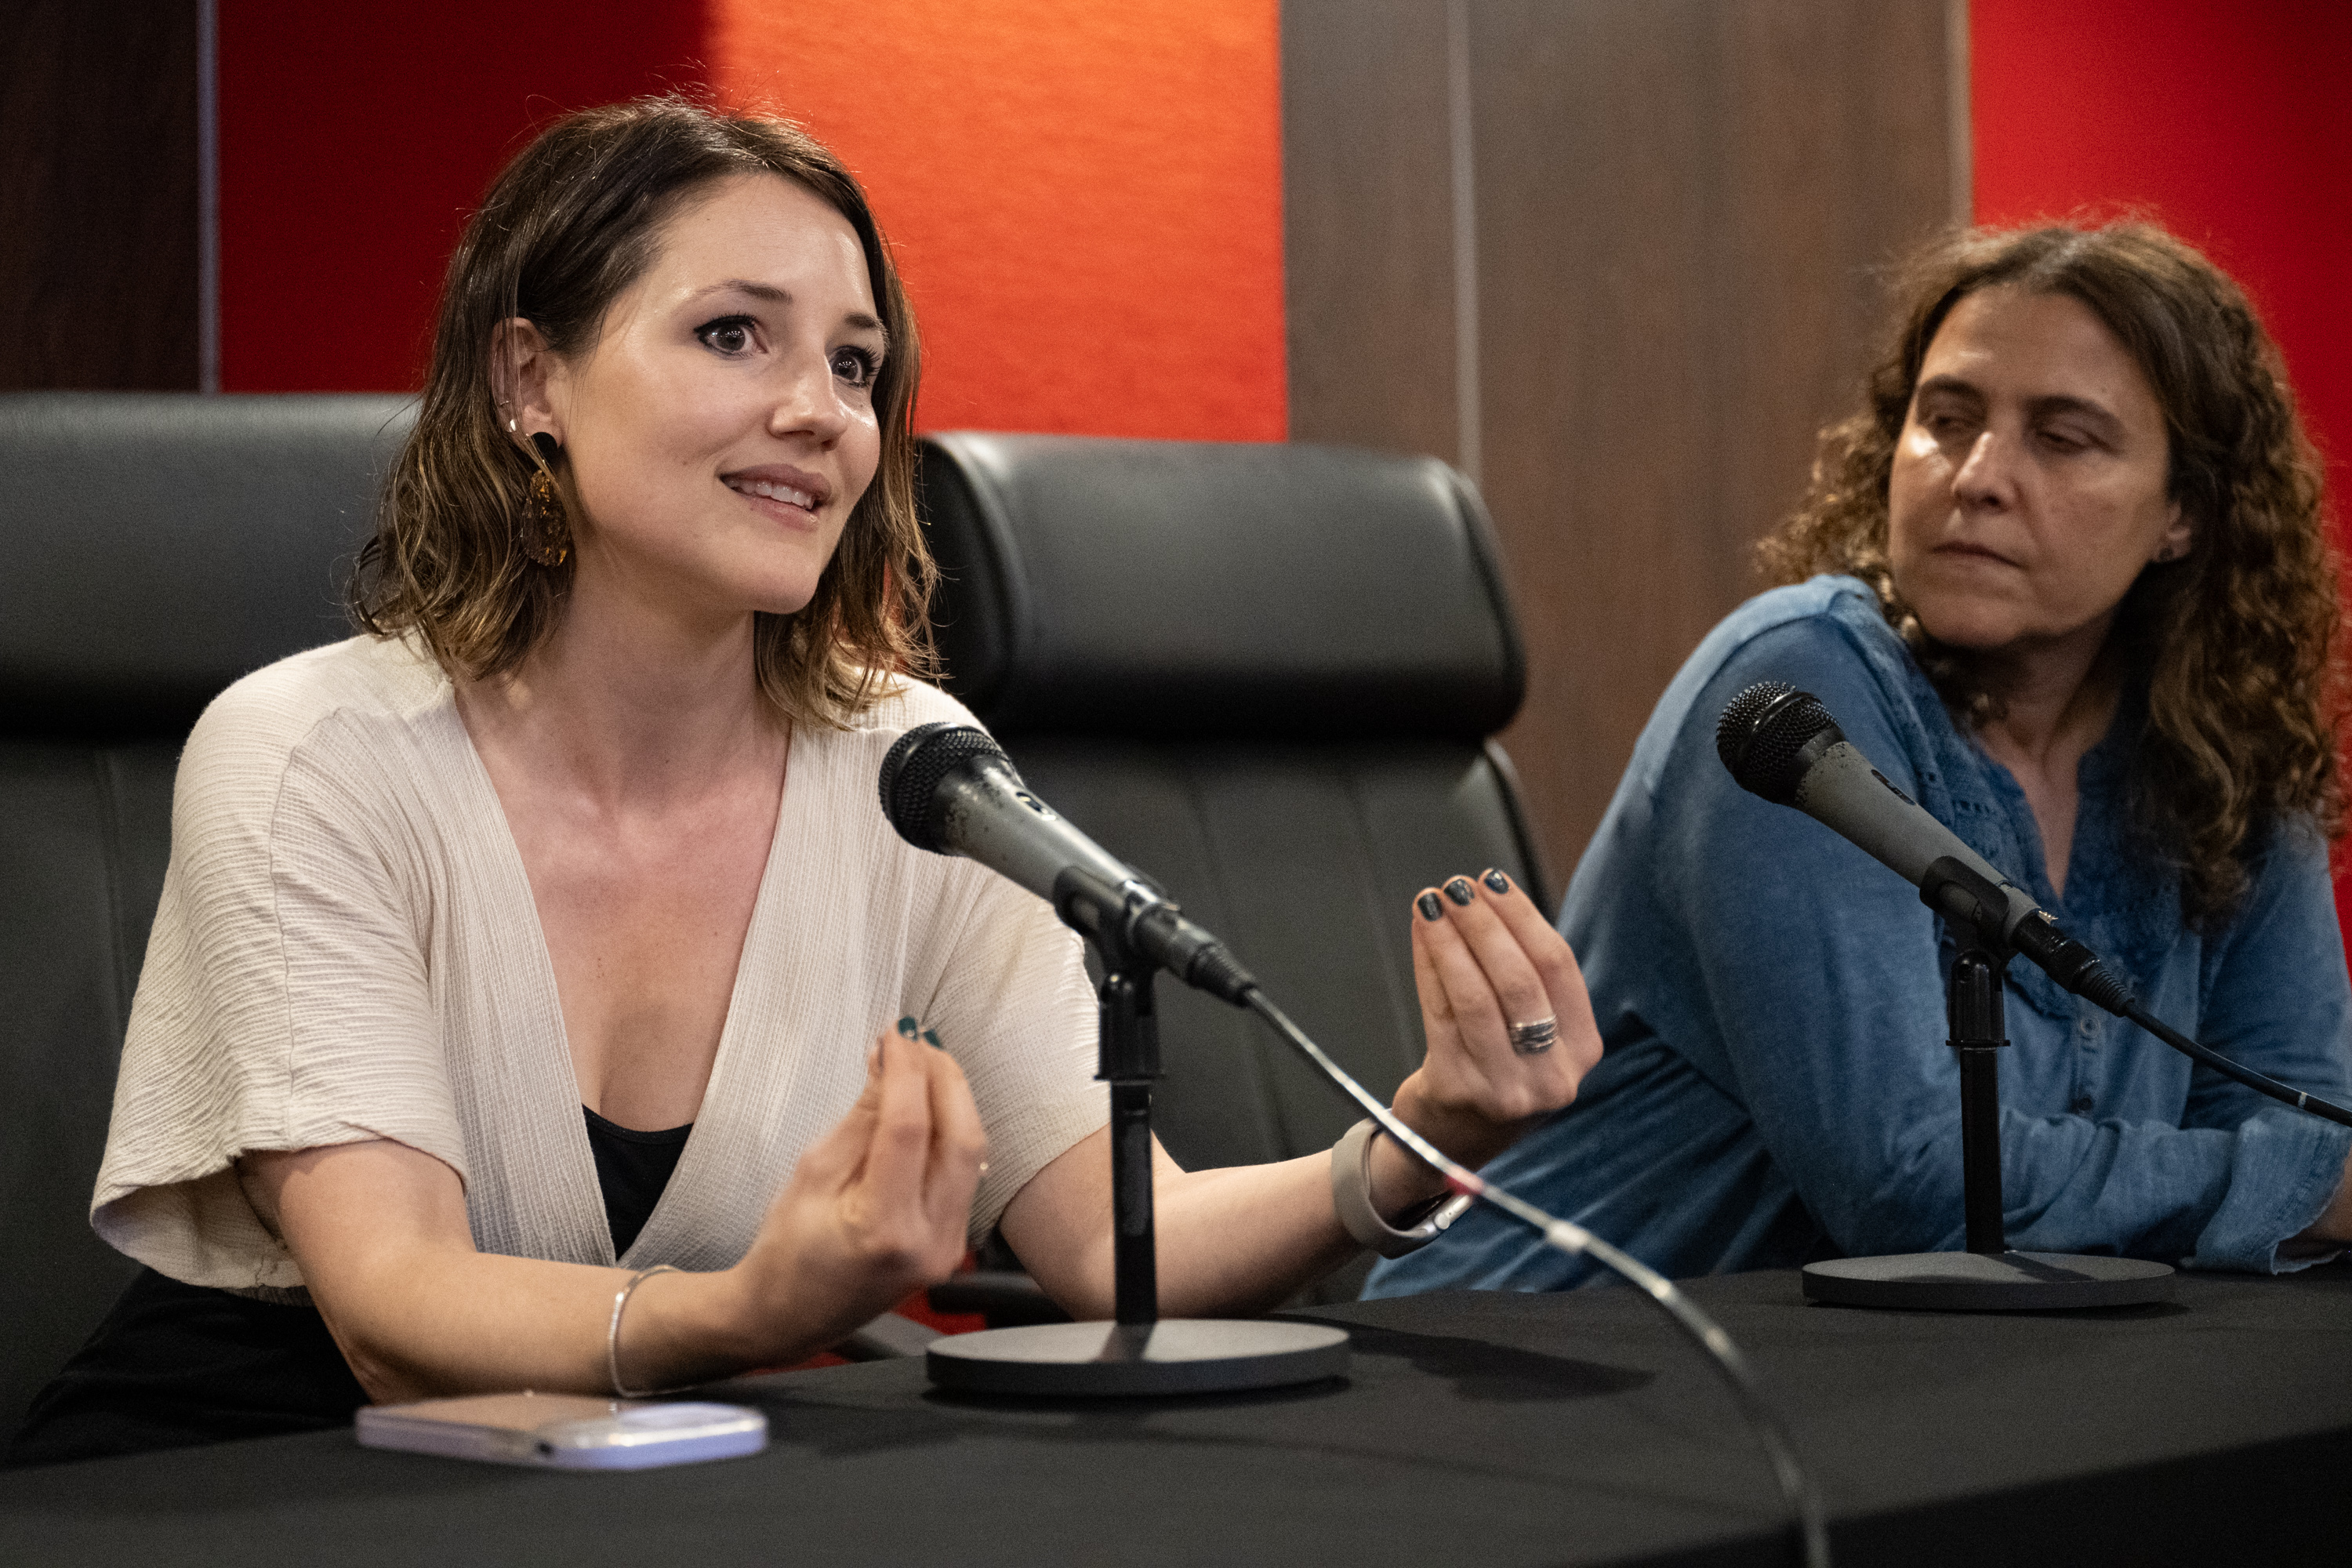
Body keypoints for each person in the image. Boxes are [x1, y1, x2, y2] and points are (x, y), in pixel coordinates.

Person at [6, 97, 1600, 1466]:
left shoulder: (911, 768)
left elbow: (1126, 1250)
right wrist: (759, 1311)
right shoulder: (314, 755)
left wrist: (1420, 1135)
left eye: (854, 364)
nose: (817, 413)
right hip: (256, 1472)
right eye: (732, 335)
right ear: (527, 382)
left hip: (681, 1461)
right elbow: (394, 1314)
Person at [1370, 222, 2352, 1299]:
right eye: (1947, 420)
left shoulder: (2224, 738)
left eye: (2063, 439)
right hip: (1558, 1364)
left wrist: (2289, 1186)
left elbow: (2295, 1113)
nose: (1977, 477)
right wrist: (2278, 1194)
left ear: (2184, 514)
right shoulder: (1795, 694)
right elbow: (1917, 1185)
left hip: (1937, 1377)